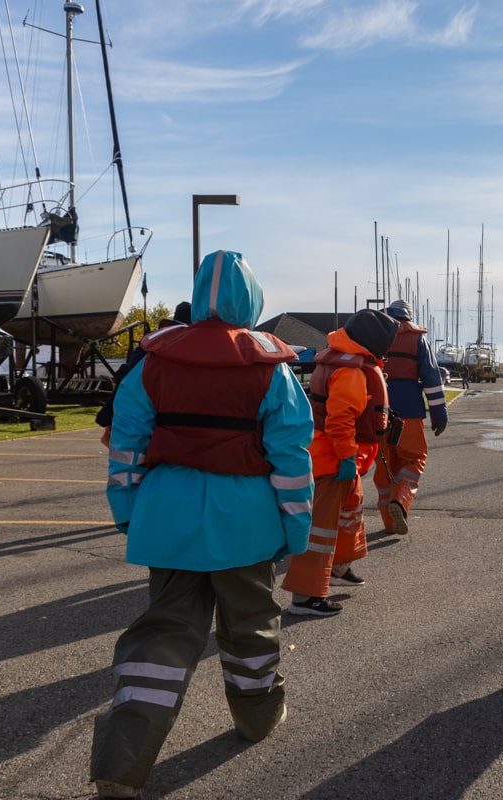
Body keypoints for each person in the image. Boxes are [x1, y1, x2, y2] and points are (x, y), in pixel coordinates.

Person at [89, 251, 313, 799]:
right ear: (252, 302)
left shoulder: (153, 363)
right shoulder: (272, 370)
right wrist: (297, 532)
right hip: (247, 523)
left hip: (167, 519)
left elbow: (126, 446)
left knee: (164, 632)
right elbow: (291, 458)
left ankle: (122, 760)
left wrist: (128, 513)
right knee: (251, 627)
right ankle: (258, 718)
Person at [281, 308, 400, 616]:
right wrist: (347, 458)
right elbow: (340, 420)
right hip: (332, 460)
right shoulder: (351, 371)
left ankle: (339, 568)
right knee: (320, 529)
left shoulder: (340, 358)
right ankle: (304, 597)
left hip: (335, 456)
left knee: (350, 511)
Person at [374, 298, 449, 536]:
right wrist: (439, 414)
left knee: (385, 465)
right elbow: (432, 379)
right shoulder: (418, 340)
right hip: (410, 411)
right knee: (414, 458)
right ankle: (401, 498)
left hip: (379, 410)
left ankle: (389, 522)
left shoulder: (374, 337)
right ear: (408, 317)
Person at [95, 301, 192, 444]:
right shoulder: (191, 348)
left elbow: (126, 380)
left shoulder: (148, 344)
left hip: (139, 419)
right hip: (170, 424)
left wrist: (107, 417)